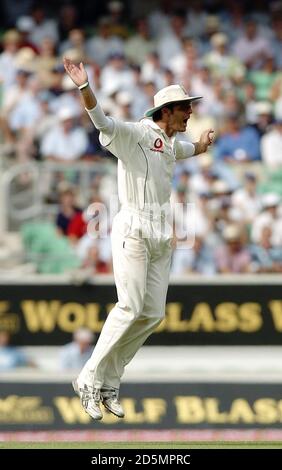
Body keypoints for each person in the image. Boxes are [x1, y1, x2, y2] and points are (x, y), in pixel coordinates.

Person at [63, 57, 214, 421]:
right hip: (133, 227)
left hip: (162, 234)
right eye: (185, 109)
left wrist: (203, 146)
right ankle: (87, 377)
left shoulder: (169, 140)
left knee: (152, 313)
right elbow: (101, 121)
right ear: (167, 110)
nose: (190, 114)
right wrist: (85, 87)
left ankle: (109, 382)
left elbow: (184, 150)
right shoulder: (135, 133)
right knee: (129, 306)